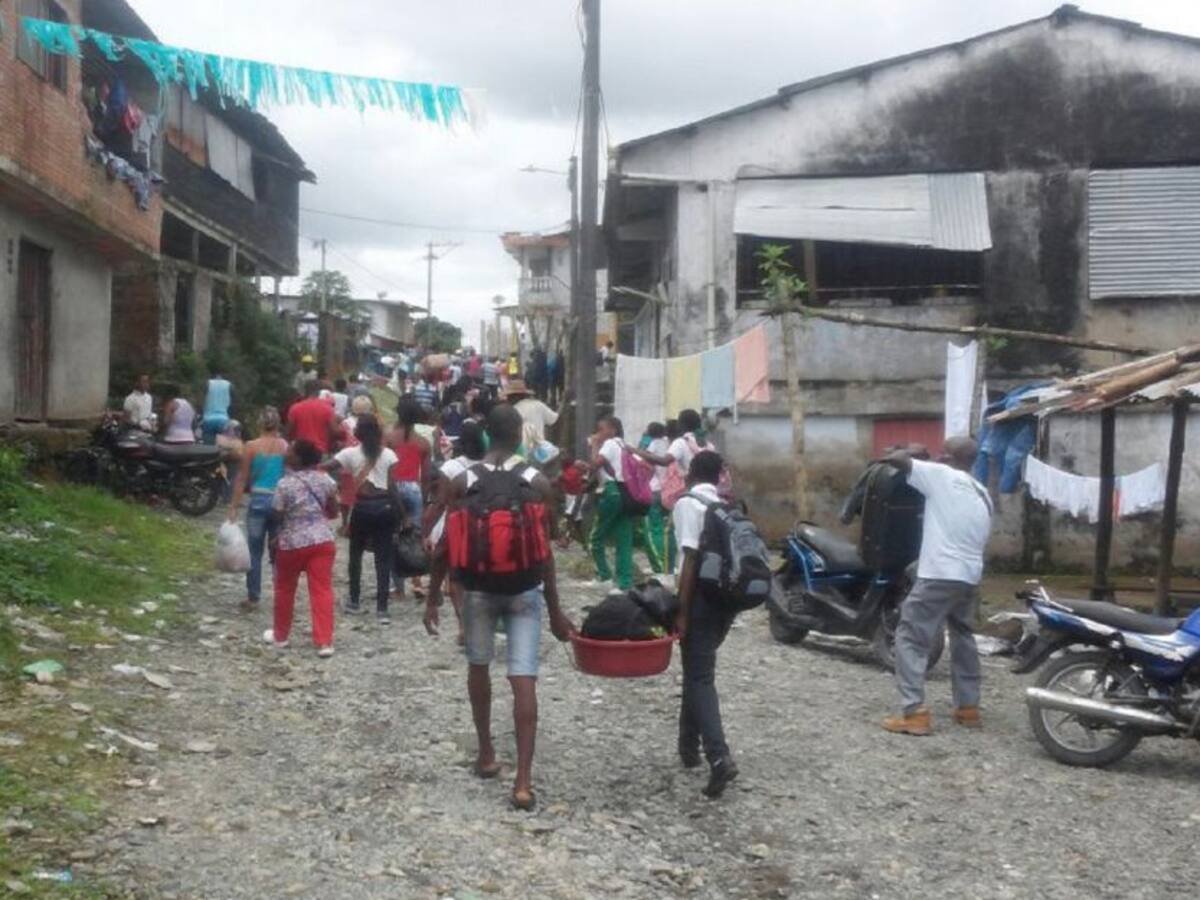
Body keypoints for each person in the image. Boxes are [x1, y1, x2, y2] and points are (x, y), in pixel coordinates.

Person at [424, 404, 575, 811]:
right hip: (525, 589)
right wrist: (557, 612)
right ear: (520, 435)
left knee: (479, 666)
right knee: (523, 676)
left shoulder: (461, 480)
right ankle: (523, 782)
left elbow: (444, 546)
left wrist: (434, 596)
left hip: (475, 589)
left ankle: (487, 754)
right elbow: (546, 554)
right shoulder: (538, 482)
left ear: (488, 435)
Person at [881, 437, 993, 736]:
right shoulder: (981, 491)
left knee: (910, 635)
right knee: (962, 634)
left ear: (946, 456)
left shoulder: (941, 475)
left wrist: (914, 452)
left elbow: (894, 458)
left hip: (940, 572)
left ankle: (913, 711)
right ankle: (968, 708)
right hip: (969, 575)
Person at [674, 450, 741, 798]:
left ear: (690, 474)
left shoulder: (689, 504)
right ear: (718, 477)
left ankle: (719, 757)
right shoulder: (726, 506)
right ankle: (688, 747)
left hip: (699, 598)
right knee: (696, 670)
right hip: (725, 603)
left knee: (700, 676)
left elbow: (689, 559)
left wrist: (681, 611)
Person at [266, 439, 339, 657]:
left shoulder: (284, 484)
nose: (286, 453)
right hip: (322, 541)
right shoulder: (325, 480)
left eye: (290, 451)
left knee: (285, 589)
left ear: (298, 458)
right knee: (322, 590)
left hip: (291, 543)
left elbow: (277, 514)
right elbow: (334, 511)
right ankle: (324, 641)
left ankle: (281, 636)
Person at [328, 415, 399, 623]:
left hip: (362, 508)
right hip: (385, 506)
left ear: (359, 432)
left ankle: (354, 601)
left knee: (355, 556)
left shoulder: (349, 453)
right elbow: (393, 487)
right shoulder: (389, 455)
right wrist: (402, 515)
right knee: (383, 559)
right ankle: (382, 609)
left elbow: (327, 466)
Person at [426, 419, 487, 644]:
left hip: (456, 525)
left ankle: (463, 624)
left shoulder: (450, 467)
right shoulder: (489, 465)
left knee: (455, 579)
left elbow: (440, 503)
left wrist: (427, 528)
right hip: (485, 525)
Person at [227, 407, 287, 610]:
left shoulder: (251, 447)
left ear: (260, 424)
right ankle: (282, 595)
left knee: (254, 551)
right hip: (279, 501)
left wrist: (234, 506)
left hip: (258, 500)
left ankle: (253, 596)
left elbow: (242, 478)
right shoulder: (285, 447)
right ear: (278, 424)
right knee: (278, 552)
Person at [389, 400, 431, 599]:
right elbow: (427, 476)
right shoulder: (423, 443)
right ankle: (417, 581)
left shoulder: (389, 438)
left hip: (394, 487)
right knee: (415, 536)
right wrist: (424, 498)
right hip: (413, 488)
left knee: (394, 536)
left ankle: (398, 588)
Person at [589, 416, 636, 590]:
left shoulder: (609, 444)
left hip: (611, 492)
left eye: (601, 429)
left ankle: (604, 575)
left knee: (596, 537)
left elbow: (595, 465)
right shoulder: (624, 445)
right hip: (626, 493)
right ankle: (624, 582)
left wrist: (594, 446)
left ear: (612, 430)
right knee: (624, 539)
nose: (598, 433)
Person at [641, 422, 675, 573]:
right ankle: (670, 565)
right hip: (669, 492)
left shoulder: (653, 445)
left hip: (654, 490)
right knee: (668, 530)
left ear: (650, 432)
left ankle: (660, 566)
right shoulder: (670, 444)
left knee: (654, 529)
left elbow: (647, 465)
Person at [287, 381, 339, 456]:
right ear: (319, 392)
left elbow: (289, 431)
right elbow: (334, 431)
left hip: (299, 452)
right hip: (320, 450)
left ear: (305, 392)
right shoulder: (328, 408)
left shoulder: (295, 408)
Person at [506, 380, 559, 449]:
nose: (507, 399)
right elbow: (554, 419)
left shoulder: (513, 410)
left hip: (521, 451)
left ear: (514, 397)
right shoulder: (539, 405)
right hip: (540, 452)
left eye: (509, 397)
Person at [201, 374, 233, 444]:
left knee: (208, 448)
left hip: (208, 419)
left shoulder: (208, 383)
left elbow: (203, 401)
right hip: (224, 419)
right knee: (223, 448)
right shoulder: (228, 384)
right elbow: (231, 404)